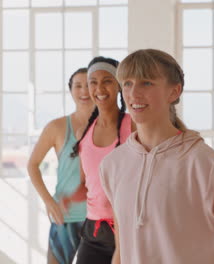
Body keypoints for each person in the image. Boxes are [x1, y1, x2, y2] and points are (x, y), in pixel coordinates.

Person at [100, 49, 214, 264]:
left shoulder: (202, 163)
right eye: (127, 83)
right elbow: (123, 249)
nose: (133, 93)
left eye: (146, 83)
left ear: (174, 92)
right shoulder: (113, 165)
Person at [62, 57, 134, 264]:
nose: (99, 88)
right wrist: (69, 198)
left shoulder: (135, 127)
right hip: (93, 231)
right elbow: (89, 184)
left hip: (127, 232)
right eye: (93, 81)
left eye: (107, 81)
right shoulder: (83, 132)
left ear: (119, 84)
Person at [28, 68, 94, 264]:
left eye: (89, 85)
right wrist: (49, 201)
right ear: (70, 90)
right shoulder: (56, 127)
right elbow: (32, 165)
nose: (84, 91)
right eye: (78, 85)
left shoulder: (110, 127)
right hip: (65, 216)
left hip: (99, 217)